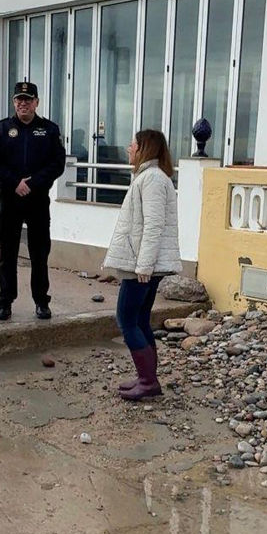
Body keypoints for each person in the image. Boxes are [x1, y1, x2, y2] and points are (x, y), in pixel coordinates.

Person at [102, 129, 181, 401]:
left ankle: (148, 382)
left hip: (142, 267)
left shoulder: (152, 179)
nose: (128, 148)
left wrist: (144, 266)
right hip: (143, 264)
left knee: (126, 320)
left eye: (132, 144)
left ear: (144, 148)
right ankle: (147, 379)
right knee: (139, 320)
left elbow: (154, 225)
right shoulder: (149, 177)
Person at [0, 81, 66, 322]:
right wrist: (14, 183)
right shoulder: (2, 129)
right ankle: (5, 302)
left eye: (28, 99)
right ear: (14, 102)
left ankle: (41, 301)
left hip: (37, 200)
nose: (23, 103)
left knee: (39, 254)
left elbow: (57, 164)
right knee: (7, 254)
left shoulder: (49, 130)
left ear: (36, 102)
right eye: (19, 99)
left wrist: (34, 183)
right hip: (10, 200)